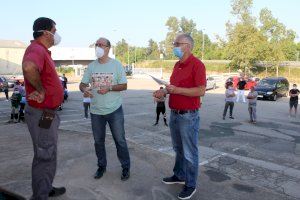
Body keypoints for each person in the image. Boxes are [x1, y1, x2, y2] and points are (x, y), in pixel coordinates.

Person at [153, 33, 206, 200]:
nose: (174, 46)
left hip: (188, 116)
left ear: (187, 46)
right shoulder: (177, 66)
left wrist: (178, 90)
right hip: (175, 114)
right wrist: (162, 92)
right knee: (178, 149)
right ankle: (179, 175)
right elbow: (171, 88)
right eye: (174, 43)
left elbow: (201, 90)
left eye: (177, 43)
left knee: (190, 152)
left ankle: (190, 184)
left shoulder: (197, 65)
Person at [22, 17, 66, 199]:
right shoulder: (36, 49)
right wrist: (40, 90)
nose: (56, 35)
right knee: (45, 154)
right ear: (46, 32)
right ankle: (40, 195)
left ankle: (45, 187)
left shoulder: (42, 51)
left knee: (48, 151)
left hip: (47, 113)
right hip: (42, 113)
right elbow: (29, 66)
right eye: (54, 31)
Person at [79, 37, 131, 181]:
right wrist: (84, 89)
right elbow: (82, 84)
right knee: (98, 141)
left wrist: (109, 88)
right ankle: (101, 166)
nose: (98, 47)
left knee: (120, 140)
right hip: (96, 111)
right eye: (96, 44)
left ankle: (125, 167)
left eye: (101, 45)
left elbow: (124, 85)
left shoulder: (116, 65)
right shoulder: (91, 67)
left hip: (115, 110)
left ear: (108, 48)